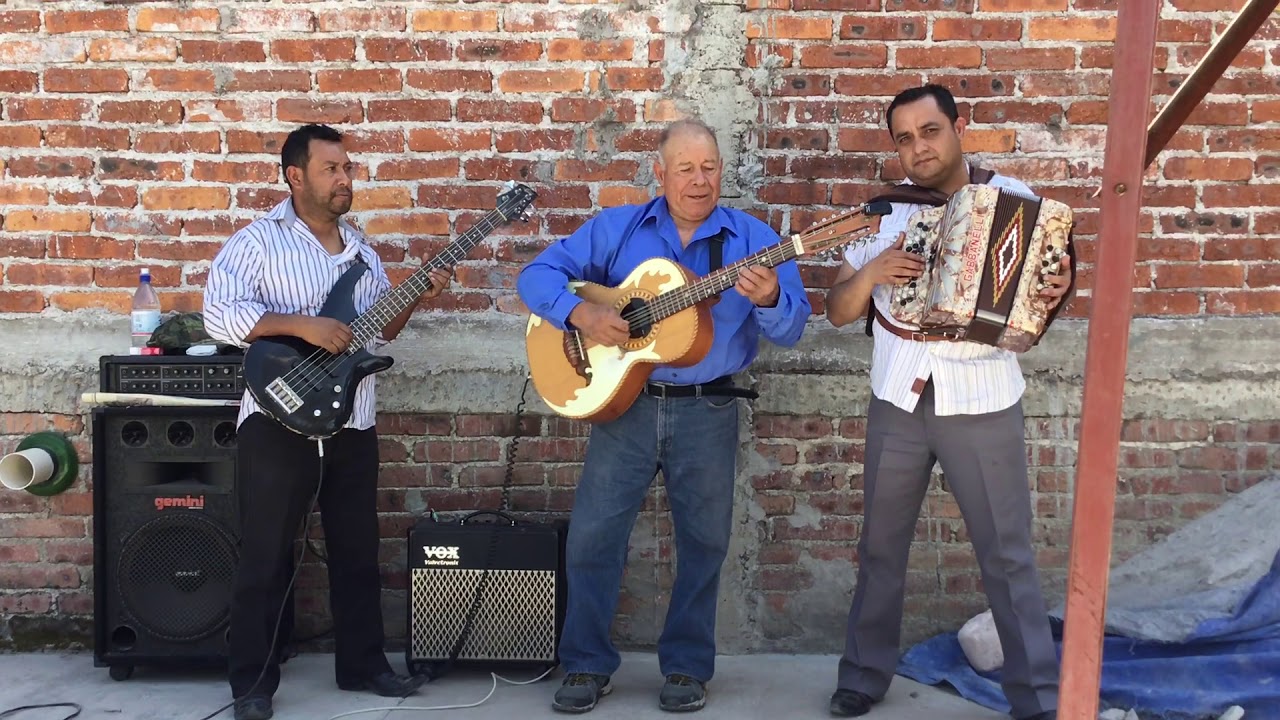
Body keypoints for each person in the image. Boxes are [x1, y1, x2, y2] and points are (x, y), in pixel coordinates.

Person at [517, 118, 811, 713]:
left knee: (704, 543)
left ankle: (686, 668)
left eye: (710, 167)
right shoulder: (619, 229)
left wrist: (771, 299)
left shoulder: (755, 239)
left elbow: (795, 326)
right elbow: (535, 276)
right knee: (594, 537)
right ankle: (585, 664)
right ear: (660, 172)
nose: (700, 181)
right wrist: (582, 316)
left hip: (710, 407)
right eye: (686, 168)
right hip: (625, 407)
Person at [823, 84, 1072, 720]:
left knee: (1008, 556)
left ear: (957, 127)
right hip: (897, 400)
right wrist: (871, 273)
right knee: (879, 547)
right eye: (904, 138)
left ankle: (1039, 697)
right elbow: (837, 310)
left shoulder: (1013, 202)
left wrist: (1057, 280)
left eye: (930, 131)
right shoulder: (883, 215)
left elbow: (1046, 288)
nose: (919, 148)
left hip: (982, 397)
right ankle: (864, 674)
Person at [203, 123, 453, 720]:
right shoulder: (257, 242)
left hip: (351, 421)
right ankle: (252, 684)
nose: (345, 178)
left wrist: (418, 292)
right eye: (332, 169)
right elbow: (219, 315)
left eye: (347, 168)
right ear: (296, 176)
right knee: (264, 555)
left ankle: (363, 665)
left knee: (356, 550)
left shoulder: (363, 252)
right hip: (276, 420)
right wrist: (301, 324)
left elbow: (377, 329)